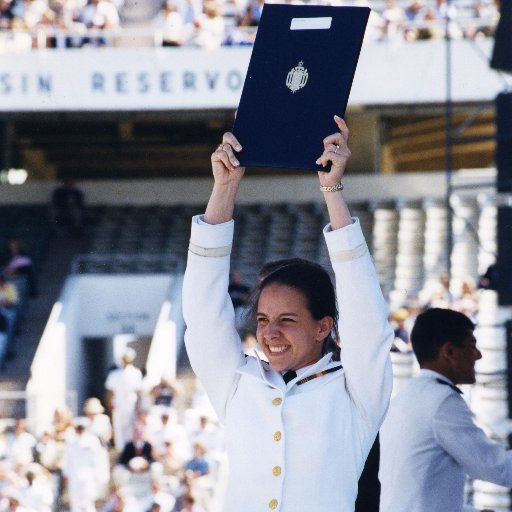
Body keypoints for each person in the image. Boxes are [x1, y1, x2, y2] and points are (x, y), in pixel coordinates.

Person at [182, 116, 394, 511]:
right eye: (262, 320)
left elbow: (367, 320)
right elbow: (203, 312)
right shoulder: (238, 385)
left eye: (288, 320)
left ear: (323, 326)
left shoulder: (357, 393)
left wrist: (332, 189)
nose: (270, 333)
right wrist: (224, 187)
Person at [379, 307, 512, 512]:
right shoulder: (443, 402)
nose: (478, 355)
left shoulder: (406, 396)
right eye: (472, 346)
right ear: (449, 352)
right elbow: (498, 468)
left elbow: (421, 494)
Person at [105, 347, 143, 452]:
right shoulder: (114, 374)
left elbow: (138, 392)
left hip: (131, 405)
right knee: (119, 429)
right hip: (118, 405)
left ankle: (129, 451)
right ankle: (121, 451)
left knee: (130, 429)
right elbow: (110, 392)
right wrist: (110, 406)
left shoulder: (136, 373)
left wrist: (138, 407)